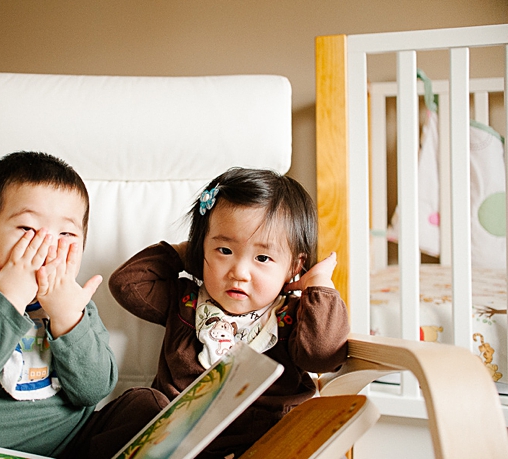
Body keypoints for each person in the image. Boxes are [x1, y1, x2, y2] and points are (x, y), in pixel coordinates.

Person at [0, 151, 167, 458]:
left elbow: (93, 391)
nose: (48, 245)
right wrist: (9, 300)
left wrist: (68, 319)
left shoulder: (73, 302)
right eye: (28, 229)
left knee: (146, 407)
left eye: (66, 233)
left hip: (70, 445)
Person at [109, 167, 349, 459]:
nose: (239, 272)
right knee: (139, 406)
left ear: (294, 266)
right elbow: (127, 284)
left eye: (262, 258)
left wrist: (319, 285)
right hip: (179, 433)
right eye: (224, 250)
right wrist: (187, 253)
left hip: (264, 437)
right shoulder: (186, 300)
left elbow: (324, 354)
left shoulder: (294, 315)